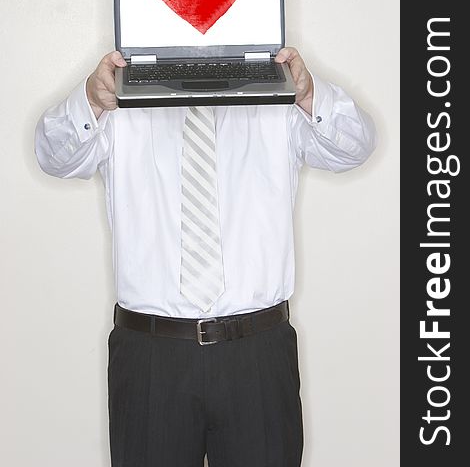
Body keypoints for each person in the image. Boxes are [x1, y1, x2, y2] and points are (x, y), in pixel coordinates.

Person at [34, 46, 376, 467]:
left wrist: (309, 95)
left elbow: (354, 147)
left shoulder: (276, 98)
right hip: (151, 358)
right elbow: (54, 157)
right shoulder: (121, 101)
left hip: (257, 354)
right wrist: (90, 98)